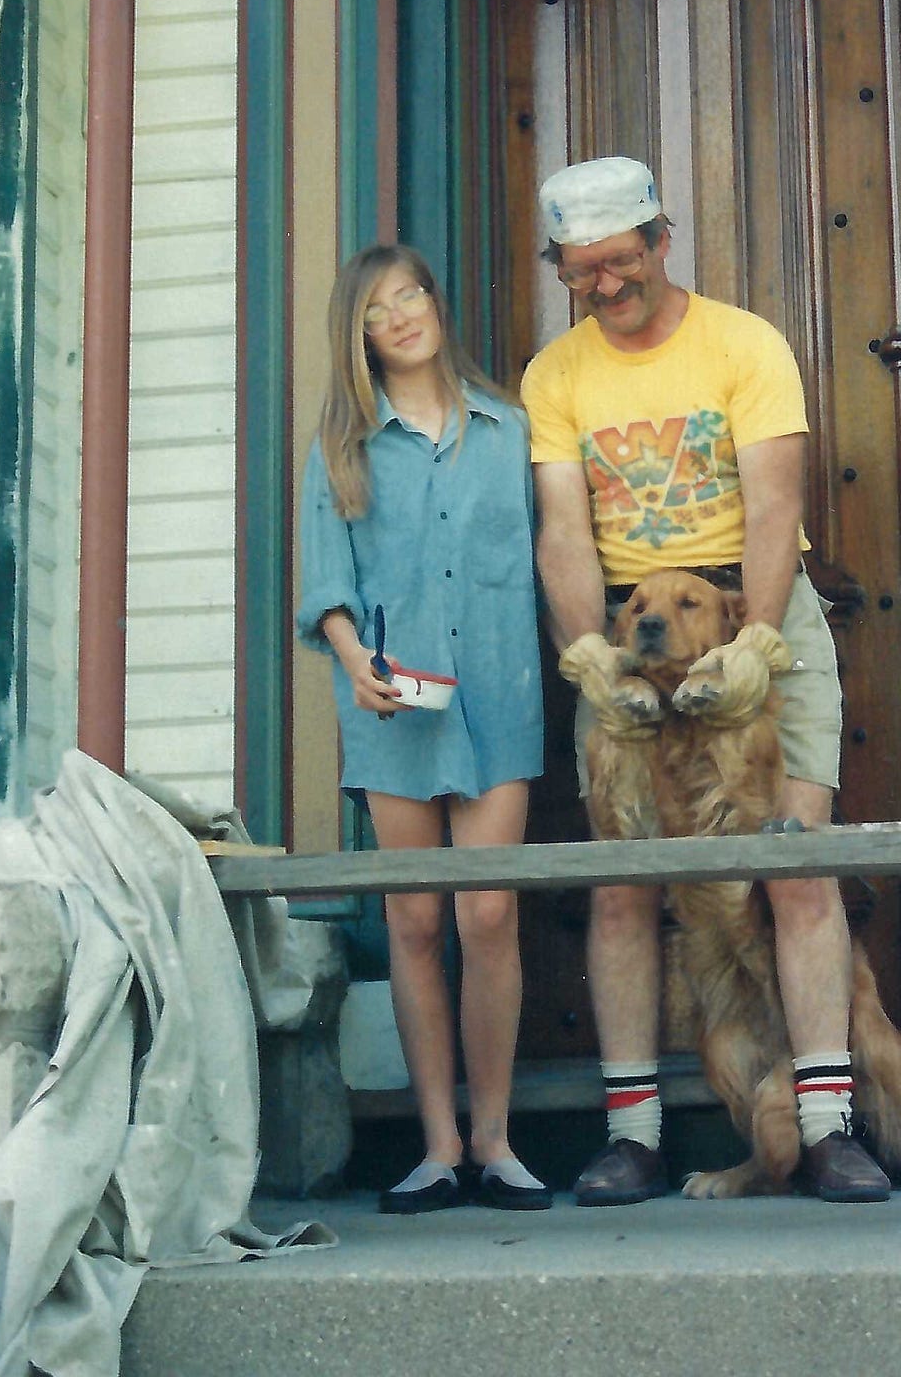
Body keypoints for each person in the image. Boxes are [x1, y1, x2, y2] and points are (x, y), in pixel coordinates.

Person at [521, 157, 892, 1206]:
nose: (604, 286)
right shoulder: (556, 375)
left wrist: (757, 644)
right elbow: (563, 530)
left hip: (748, 608)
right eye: (580, 271)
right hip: (634, 630)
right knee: (624, 881)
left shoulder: (742, 343)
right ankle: (631, 1135)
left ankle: (826, 1125)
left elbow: (774, 506)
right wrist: (589, 651)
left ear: (661, 240)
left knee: (796, 862)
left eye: (620, 262)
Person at [297, 243, 551, 1214]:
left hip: (495, 699)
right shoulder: (343, 448)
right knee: (411, 918)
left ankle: (495, 1139)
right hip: (394, 707)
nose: (400, 317)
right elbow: (327, 584)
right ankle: (437, 1144)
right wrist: (354, 660)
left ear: (437, 305)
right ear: (358, 336)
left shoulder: (506, 432)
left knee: (487, 914)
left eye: (410, 296)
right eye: (376, 310)